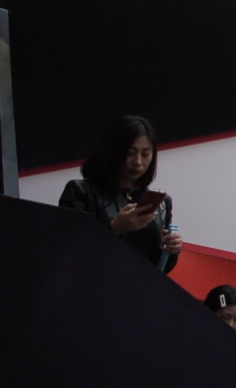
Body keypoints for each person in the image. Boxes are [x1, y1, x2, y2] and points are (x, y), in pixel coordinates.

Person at [59, 114, 183, 272]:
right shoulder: (80, 191)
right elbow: (70, 250)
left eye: (145, 154)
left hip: (141, 285)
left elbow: (159, 269)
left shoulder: (162, 202)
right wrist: (114, 228)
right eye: (130, 153)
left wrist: (171, 250)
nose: (138, 162)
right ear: (112, 151)